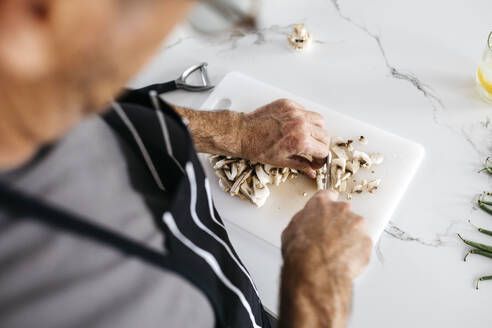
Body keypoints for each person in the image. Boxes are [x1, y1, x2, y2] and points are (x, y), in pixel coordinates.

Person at [0, 1, 372, 327]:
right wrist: (316, 287)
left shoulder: (35, 87)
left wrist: (235, 132)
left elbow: (95, 102)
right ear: (36, 14)